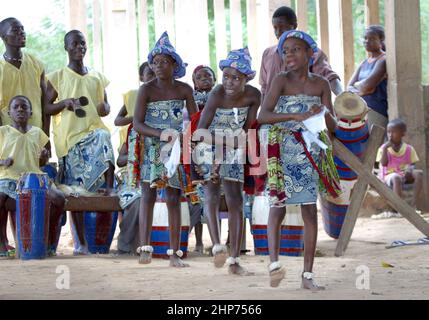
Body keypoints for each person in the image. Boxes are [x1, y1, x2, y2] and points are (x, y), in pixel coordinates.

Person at [257, 30, 338, 290]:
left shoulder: (321, 85)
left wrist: (321, 113)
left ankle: (307, 275)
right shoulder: (280, 81)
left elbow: (333, 125)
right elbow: (263, 116)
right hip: (282, 151)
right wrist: (295, 118)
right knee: (277, 206)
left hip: (310, 155)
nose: (289, 54)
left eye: (295, 49)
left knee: (308, 211)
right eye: (285, 50)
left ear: (310, 54)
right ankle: (274, 265)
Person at [45, 30, 115, 255]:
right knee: (75, 189)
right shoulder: (58, 76)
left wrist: (105, 108)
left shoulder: (96, 76)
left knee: (104, 136)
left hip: (93, 133)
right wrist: (64, 102)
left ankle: (110, 187)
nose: (79, 47)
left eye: (82, 43)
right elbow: (46, 107)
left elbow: (105, 107)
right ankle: (80, 243)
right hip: (70, 138)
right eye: (74, 44)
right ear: (66, 47)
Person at [133, 31, 198, 267]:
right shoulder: (146, 90)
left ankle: (174, 254)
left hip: (175, 148)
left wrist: (185, 138)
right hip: (151, 146)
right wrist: (161, 134)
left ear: (174, 65)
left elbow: (194, 119)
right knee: (147, 196)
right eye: (155, 62)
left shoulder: (184, 90)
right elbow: (138, 123)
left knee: (173, 196)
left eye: (164, 62)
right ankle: (145, 250)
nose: (158, 66)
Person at [195, 47, 260, 275]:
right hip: (210, 144)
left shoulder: (254, 96)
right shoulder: (217, 94)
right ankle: (217, 246)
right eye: (226, 77)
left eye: (236, 78)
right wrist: (222, 146)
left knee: (235, 200)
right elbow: (200, 131)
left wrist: (235, 145)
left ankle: (234, 259)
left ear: (246, 79)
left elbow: (248, 129)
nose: (229, 82)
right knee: (212, 193)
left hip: (236, 146)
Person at [0, 17, 51, 253]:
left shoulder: (37, 64)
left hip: (34, 137)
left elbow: (46, 102)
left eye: (23, 29)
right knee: (7, 188)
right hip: (8, 139)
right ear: (4, 36)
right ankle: (4, 242)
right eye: (16, 30)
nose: (22, 32)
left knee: (31, 190)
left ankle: (27, 242)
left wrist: (47, 140)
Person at [0, 96, 65, 258]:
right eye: (16, 107)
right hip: (9, 178)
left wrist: (43, 156)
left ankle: (48, 242)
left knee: (59, 199)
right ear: (9, 113)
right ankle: (2, 244)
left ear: (31, 112)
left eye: (24, 107)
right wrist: (3, 161)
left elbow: (42, 161)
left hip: (35, 179)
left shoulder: (37, 133)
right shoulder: (3, 132)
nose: (20, 109)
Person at [259, 6, 343, 101]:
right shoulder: (267, 54)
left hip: (305, 110)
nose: (278, 32)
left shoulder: (312, 53)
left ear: (294, 26)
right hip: (274, 113)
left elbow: (330, 77)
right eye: (275, 28)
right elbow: (264, 88)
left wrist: (343, 96)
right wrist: (263, 112)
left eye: (282, 27)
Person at [375, 119, 423, 217]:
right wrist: (385, 149)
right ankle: (400, 209)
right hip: (388, 175)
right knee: (396, 177)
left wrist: (409, 169)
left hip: (403, 173)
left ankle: (413, 206)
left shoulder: (409, 149)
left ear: (403, 134)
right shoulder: (383, 148)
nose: (390, 135)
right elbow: (383, 164)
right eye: (388, 132)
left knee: (419, 173)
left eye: (394, 132)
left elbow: (412, 164)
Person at [348, 25, 388, 130]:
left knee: (372, 145)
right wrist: (363, 88)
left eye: (372, 39)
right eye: (365, 38)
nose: (367, 41)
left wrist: (362, 87)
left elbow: (367, 86)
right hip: (360, 109)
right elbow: (348, 87)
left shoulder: (383, 60)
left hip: (376, 111)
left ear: (381, 40)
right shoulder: (364, 62)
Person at [115, 62, 155, 149]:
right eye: (150, 74)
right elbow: (117, 121)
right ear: (141, 78)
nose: (154, 78)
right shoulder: (134, 95)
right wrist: (136, 119)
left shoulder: (166, 95)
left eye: (156, 74)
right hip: (136, 139)